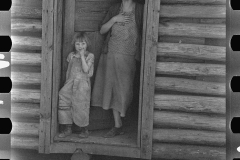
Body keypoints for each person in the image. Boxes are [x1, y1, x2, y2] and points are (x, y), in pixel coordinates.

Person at [91, 0, 143, 138]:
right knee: (112, 88)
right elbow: (102, 30)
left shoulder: (140, 9)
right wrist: (114, 19)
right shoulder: (115, 8)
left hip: (129, 55)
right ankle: (117, 125)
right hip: (111, 53)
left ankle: (125, 121)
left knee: (124, 89)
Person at [58, 32, 94, 138]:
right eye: (77, 44)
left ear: (87, 44)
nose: (80, 46)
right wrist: (67, 82)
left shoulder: (90, 56)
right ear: (74, 44)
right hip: (70, 82)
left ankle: (84, 129)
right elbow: (68, 70)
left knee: (81, 105)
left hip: (82, 84)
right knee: (64, 99)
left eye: (83, 44)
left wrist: (82, 56)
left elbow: (86, 69)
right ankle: (67, 128)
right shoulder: (71, 55)